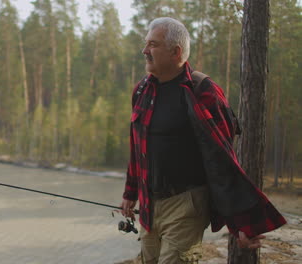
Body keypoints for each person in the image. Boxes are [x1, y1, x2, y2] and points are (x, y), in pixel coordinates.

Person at [120, 17, 286, 264]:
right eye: (146, 44)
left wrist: (240, 223)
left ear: (175, 52)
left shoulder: (202, 91)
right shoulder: (141, 90)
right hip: (149, 206)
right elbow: (138, 147)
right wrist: (130, 192)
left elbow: (223, 161)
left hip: (187, 204)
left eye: (152, 45)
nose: (145, 51)